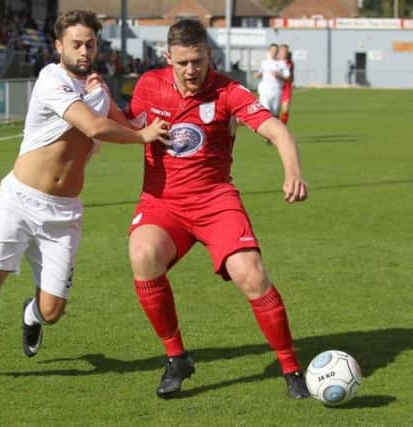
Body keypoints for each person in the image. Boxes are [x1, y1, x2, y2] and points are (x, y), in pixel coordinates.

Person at [0, 9, 169, 385]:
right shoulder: (51, 79)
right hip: (17, 201)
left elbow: (128, 125)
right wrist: (140, 134)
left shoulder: (97, 87)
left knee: (52, 311)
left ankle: (31, 315)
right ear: (59, 46)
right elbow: (96, 126)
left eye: (90, 44)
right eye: (76, 44)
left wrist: (161, 120)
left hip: (63, 214)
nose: (84, 51)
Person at [125, 19, 310, 399]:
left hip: (215, 201)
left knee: (252, 274)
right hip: (163, 203)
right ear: (168, 58)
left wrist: (293, 173)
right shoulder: (148, 85)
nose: (191, 70)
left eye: (198, 60)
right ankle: (177, 358)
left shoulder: (227, 90)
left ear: (209, 54)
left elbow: (276, 130)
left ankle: (291, 368)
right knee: (142, 255)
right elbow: (126, 126)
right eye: (182, 63)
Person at [254, 44, 290, 118]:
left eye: (275, 50)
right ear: (269, 51)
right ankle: (265, 129)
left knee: (275, 115)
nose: (274, 52)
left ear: (277, 52)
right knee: (265, 114)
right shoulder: (264, 63)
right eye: (272, 50)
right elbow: (260, 73)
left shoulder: (282, 63)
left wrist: (279, 75)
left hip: (276, 91)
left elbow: (288, 78)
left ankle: (274, 128)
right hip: (265, 92)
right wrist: (258, 75)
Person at [278, 44, 294, 125]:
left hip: (286, 88)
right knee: (274, 112)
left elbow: (291, 77)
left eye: (286, 51)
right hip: (276, 88)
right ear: (279, 52)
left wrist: (290, 80)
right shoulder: (274, 62)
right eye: (283, 51)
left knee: (285, 111)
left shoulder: (290, 63)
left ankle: (282, 128)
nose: (284, 53)